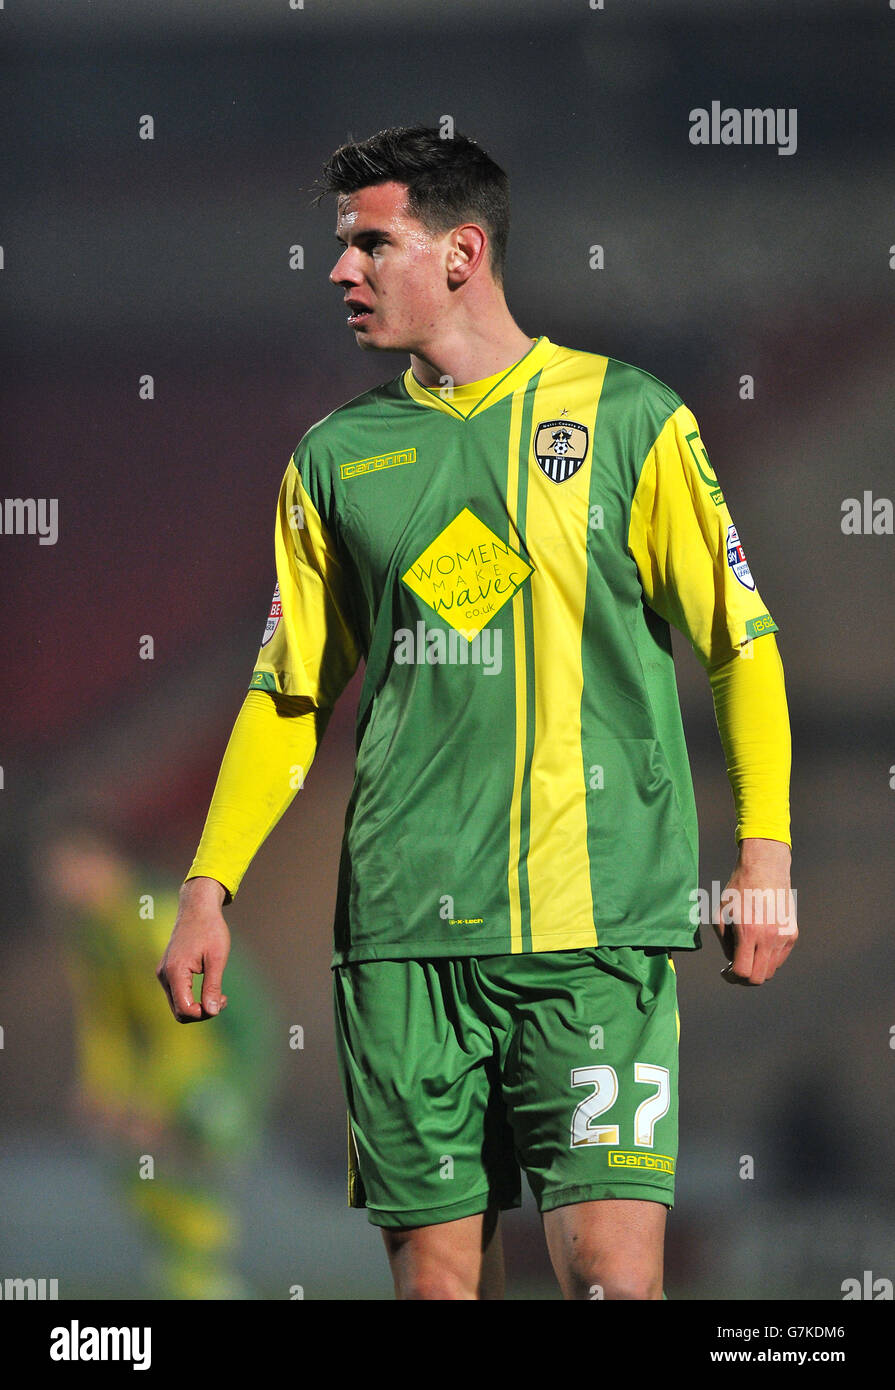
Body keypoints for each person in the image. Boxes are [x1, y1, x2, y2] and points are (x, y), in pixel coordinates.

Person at [157, 124, 797, 1301]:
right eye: (339, 248)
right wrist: (208, 885)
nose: (340, 271)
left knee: (612, 1279)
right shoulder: (337, 459)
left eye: (368, 245)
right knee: (441, 1292)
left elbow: (739, 646)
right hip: (403, 936)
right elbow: (286, 693)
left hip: (591, 927)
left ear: (460, 251)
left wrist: (765, 851)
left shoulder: (627, 418)